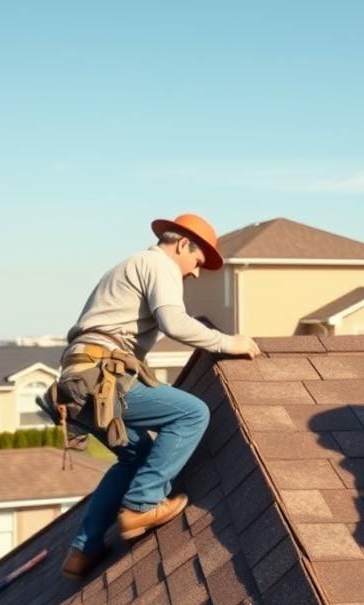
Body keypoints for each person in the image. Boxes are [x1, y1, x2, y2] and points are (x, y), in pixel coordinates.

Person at [46, 213, 260, 580]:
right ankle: (142, 504)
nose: (194, 273)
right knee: (192, 413)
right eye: (197, 262)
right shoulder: (157, 264)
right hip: (101, 379)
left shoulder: (128, 266)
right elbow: (175, 323)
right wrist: (229, 343)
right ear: (182, 245)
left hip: (78, 384)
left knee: (134, 457)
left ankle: (83, 550)